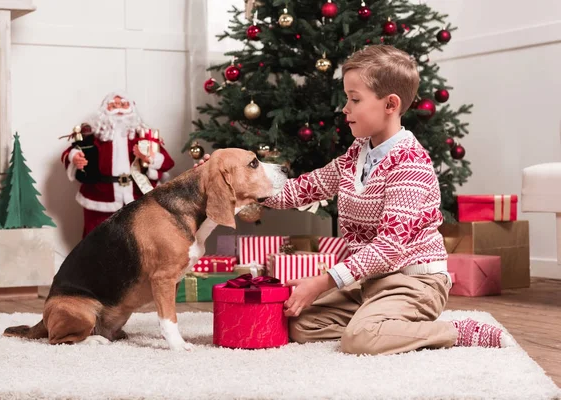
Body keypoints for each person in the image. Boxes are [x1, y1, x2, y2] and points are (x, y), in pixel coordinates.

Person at [195, 45, 513, 355]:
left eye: (354, 99)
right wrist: (236, 181)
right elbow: (302, 189)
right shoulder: (357, 154)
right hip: (370, 281)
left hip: (414, 283)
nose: (345, 108)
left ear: (390, 104)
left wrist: (324, 281)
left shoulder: (410, 164)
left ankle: (457, 332)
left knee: (360, 340)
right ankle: (378, 319)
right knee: (298, 323)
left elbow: (390, 248)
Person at [61, 91, 175, 238]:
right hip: (100, 197)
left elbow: (167, 162)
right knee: (96, 240)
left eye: (123, 105)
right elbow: (70, 152)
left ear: (132, 108)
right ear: (104, 111)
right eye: (113, 105)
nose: (119, 109)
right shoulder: (92, 136)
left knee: (139, 239)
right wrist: (75, 157)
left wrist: (149, 158)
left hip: (137, 196)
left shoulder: (144, 137)